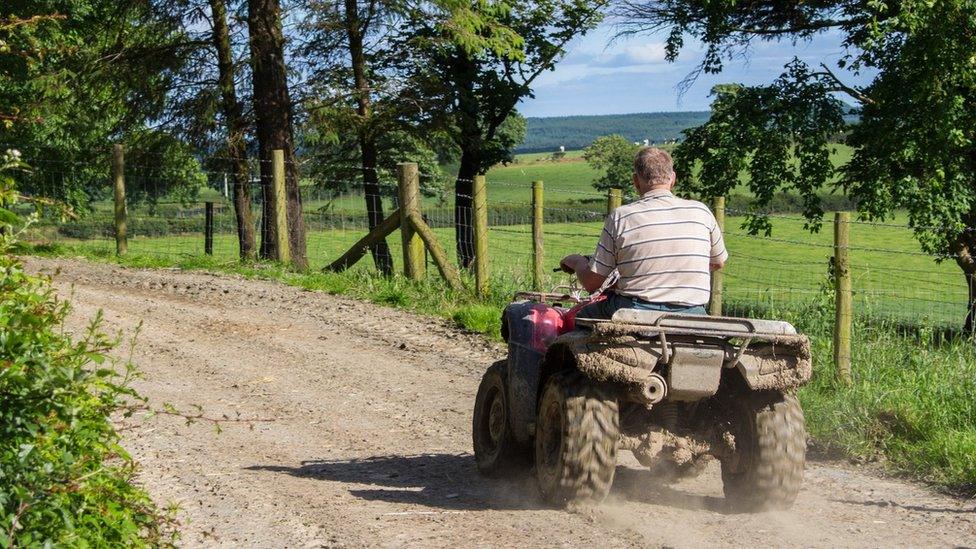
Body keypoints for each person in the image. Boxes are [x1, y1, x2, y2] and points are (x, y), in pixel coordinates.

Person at [560, 147, 727, 319]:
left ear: (635, 181)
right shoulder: (702, 212)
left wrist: (578, 262)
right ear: (673, 179)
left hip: (635, 311)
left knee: (580, 316)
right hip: (693, 315)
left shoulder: (621, 217)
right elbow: (718, 262)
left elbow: (592, 283)